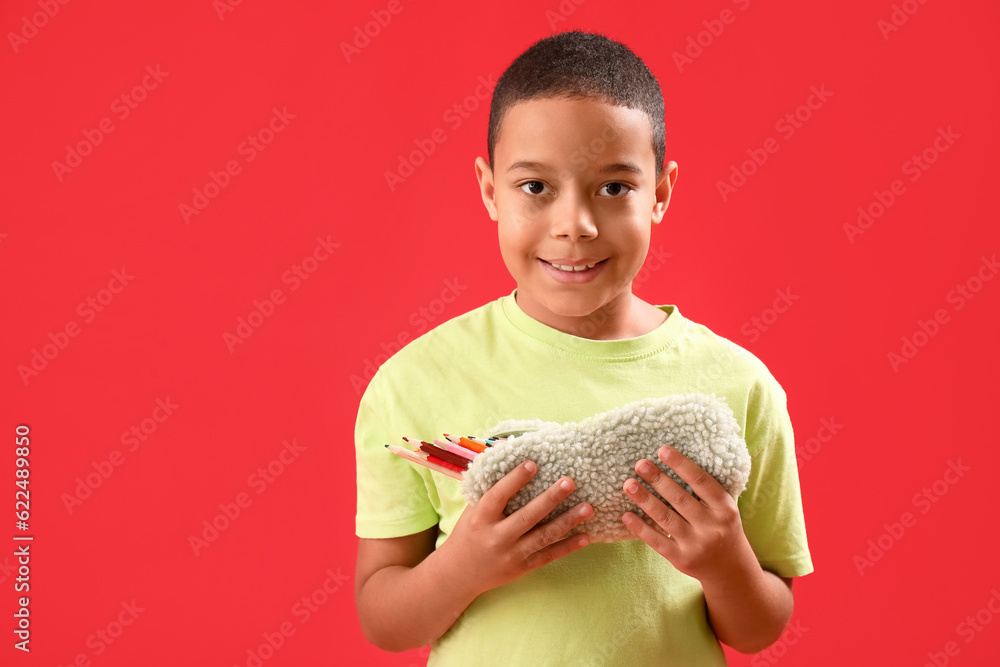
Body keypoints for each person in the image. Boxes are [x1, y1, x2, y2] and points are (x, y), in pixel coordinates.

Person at [353, 29, 813, 666]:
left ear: (661, 193)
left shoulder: (738, 387)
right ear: (490, 190)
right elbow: (383, 617)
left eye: (615, 187)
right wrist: (461, 569)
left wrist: (724, 562)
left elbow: (761, 626)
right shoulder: (413, 382)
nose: (575, 224)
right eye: (535, 187)